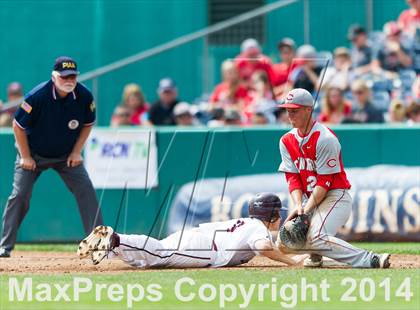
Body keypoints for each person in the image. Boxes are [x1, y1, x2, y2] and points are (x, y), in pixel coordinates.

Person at [0, 56, 103, 258]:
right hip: (33, 154)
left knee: (85, 189)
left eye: (72, 76)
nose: (69, 80)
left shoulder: (84, 96)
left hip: (65, 155)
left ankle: (99, 244)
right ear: (54, 77)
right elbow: (17, 126)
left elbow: (88, 123)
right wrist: (26, 157)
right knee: (20, 195)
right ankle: (5, 246)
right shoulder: (37, 96)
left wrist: (76, 152)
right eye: (64, 76)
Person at [277, 88, 390, 268]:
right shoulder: (286, 140)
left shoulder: (325, 138)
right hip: (309, 198)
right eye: (288, 110)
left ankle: (370, 259)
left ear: (309, 109)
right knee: (283, 243)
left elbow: (324, 183)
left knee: (316, 237)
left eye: (295, 110)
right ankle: (317, 254)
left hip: (334, 196)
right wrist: (298, 206)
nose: (290, 114)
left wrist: (305, 210)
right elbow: (292, 177)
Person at [77, 193, 299, 268]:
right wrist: (295, 261)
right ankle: (115, 240)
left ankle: (108, 249)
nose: (279, 217)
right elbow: (263, 247)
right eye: (278, 213)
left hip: (197, 239)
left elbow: (270, 245)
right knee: (161, 253)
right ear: (271, 215)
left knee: (152, 260)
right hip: (204, 249)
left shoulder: (249, 223)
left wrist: (297, 253)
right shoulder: (257, 228)